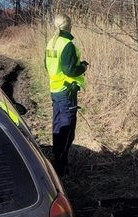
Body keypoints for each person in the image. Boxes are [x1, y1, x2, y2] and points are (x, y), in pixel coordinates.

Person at [45, 14, 88, 176]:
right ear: (69, 26)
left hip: (55, 90)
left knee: (58, 125)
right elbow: (70, 70)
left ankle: (57, 158)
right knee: (67, 128)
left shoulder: (51, 43)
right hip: (66, 91)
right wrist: (83, 67)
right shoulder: (67, 44)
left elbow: (47, 66)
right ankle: (60, 167)